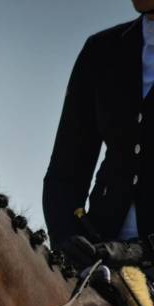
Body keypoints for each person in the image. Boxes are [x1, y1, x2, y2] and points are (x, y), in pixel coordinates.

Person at [43, 1, 154, 272]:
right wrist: (66, 236)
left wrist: (139, 251)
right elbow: (65, 172)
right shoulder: (101, 50)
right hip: (101, 249)